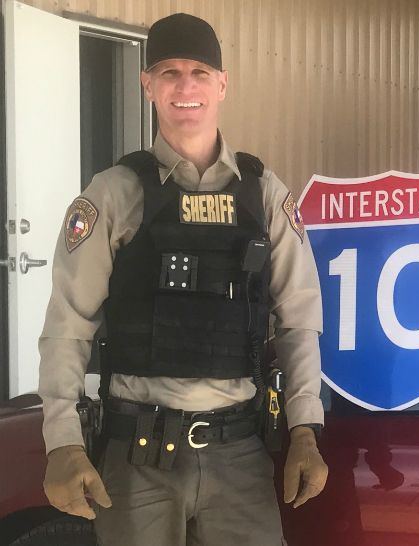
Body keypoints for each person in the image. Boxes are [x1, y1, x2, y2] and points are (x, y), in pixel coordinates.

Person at [38, 13, 328, 546]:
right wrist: (63, 443)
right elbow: (68, 323)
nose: (185, 85)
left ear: (222, 84)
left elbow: (300, 317)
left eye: (199, 71)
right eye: (168, 72)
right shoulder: (113, 193)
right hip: (137, 454)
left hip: (238, 453)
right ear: (147, 84)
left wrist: (305, 429)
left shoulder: (263, 195)